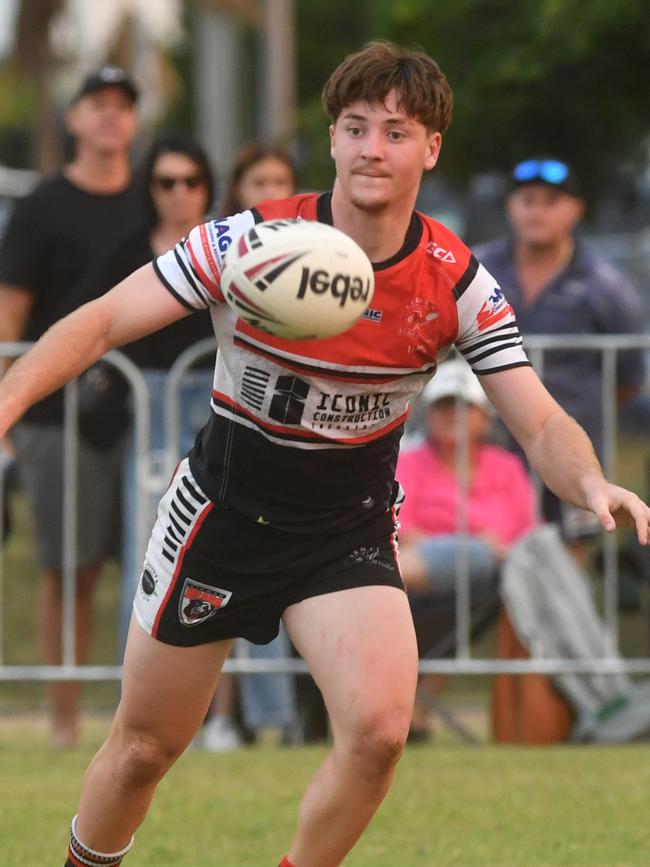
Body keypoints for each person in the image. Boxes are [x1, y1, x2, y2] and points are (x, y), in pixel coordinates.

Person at [0, 41, 648, 867]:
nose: (373, 148)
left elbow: (539, 418)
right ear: (333, 139)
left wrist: (591, 477)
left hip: (345, 529)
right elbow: (99, 321)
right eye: (355, 128)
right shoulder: (249, 242)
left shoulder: (455, 283)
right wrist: (9, 399)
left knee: (378, 734)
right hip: (223, 516)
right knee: (144, 748)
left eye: (397, 131)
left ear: (431, 148)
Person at [0, 65, 141, 748]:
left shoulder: (152, 199)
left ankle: (141, 717)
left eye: (123, 106)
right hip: (59, 416)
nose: (111, 117)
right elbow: (10, 315)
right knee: (69, 567)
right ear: (75, 118)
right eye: (98, 105)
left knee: (147, 567)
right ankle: (62, 720)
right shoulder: (43, 205)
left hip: (141, 411)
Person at [83, 132, 217, 647]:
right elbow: (94, 318)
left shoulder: (229, 247)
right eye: (167, 181)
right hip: (150, 405)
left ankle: (244, 713)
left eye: (192, 180)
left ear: (207, 186)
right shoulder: (129, 250)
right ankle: (134, 688)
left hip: (218, 404)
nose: (180, 192)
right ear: (151, 189)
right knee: (151, 544)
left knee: (227, 544)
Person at [474, 158, 646, 544]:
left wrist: (574, 418)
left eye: (551, 200)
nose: (537, 210)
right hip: (489, 449)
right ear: (510, 207)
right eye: (527, 199)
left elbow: (629, 378)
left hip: (571, 450)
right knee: (497, 561)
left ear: (576, 209)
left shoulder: (606, 287)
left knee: (567, 560)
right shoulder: (477, 270)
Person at [202, 142, 301, 752]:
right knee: (212, 571)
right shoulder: (220, 244)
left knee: (281, 576)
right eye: (256, 179)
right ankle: (215, 719)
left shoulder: (326, 253)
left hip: (287, 442)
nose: (267, 189)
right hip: (219, 421)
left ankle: (275, 715)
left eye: (280, 180)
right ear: (236, 188)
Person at [396, 356, 537, 737]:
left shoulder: (506, 466)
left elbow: (524, 538)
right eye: (443, 407)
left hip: (489, 578)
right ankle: (414, 715)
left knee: (476, 560)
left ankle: (363, 588)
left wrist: (480, 547)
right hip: (423, 574)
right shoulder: (409, 461)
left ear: (483, 418)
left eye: (462, 407)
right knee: (466, 555)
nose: (451, 415)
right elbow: (401, 530)